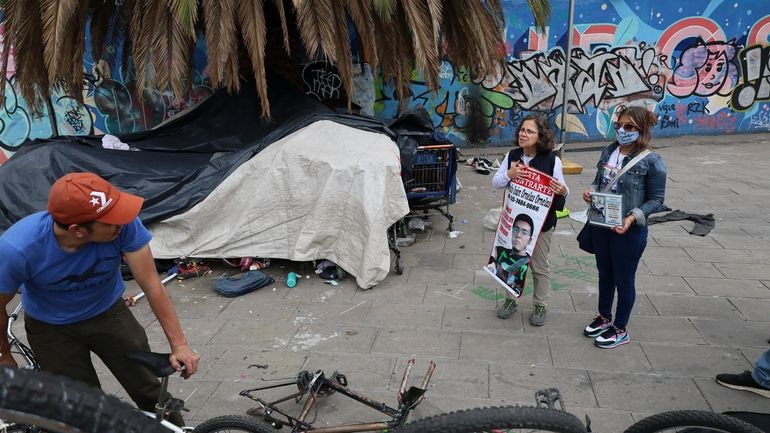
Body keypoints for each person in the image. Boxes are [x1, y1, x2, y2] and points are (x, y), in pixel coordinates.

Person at [0, 172, 200, 425]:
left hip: (109, 314)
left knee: (148, 388)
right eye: (110, 222)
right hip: (51, 330)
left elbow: (151, 284)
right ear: (77, 230)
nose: (122, 223)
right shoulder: (19, 248)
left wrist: (179, 345)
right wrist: (5, 356)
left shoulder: (123, 224)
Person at [581, 106, 666, 349]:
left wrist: (632, 218)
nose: (622, 131)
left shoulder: (652, 160)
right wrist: (591, 192)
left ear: (642, 130)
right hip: (601, 223)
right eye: (619, 125)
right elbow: (600, 182)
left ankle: (620, 328)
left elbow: (657, 200)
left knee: (624, 278)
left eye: (629, 127)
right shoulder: (609, 151)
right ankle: (604, 316)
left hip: (629, 230)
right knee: (604, 273)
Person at [492, 115, 568, 326]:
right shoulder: (512, 155)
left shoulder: (552, 160)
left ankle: (540, 304)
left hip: (542, 224)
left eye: (529, 131)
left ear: (540, 136)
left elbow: (562, 190)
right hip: (515, 222)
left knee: (539, 266)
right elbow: (496, 183)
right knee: (510, 261)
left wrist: (563, 190)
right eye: (522, 130)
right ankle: (510, 300)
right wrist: (510, 173)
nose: (523, 134)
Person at [492, 213, 534, 297]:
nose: (518, 235)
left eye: (524, 233)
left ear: (530, 240)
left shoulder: (526, 263)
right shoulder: (499, 250)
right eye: (516, 229)